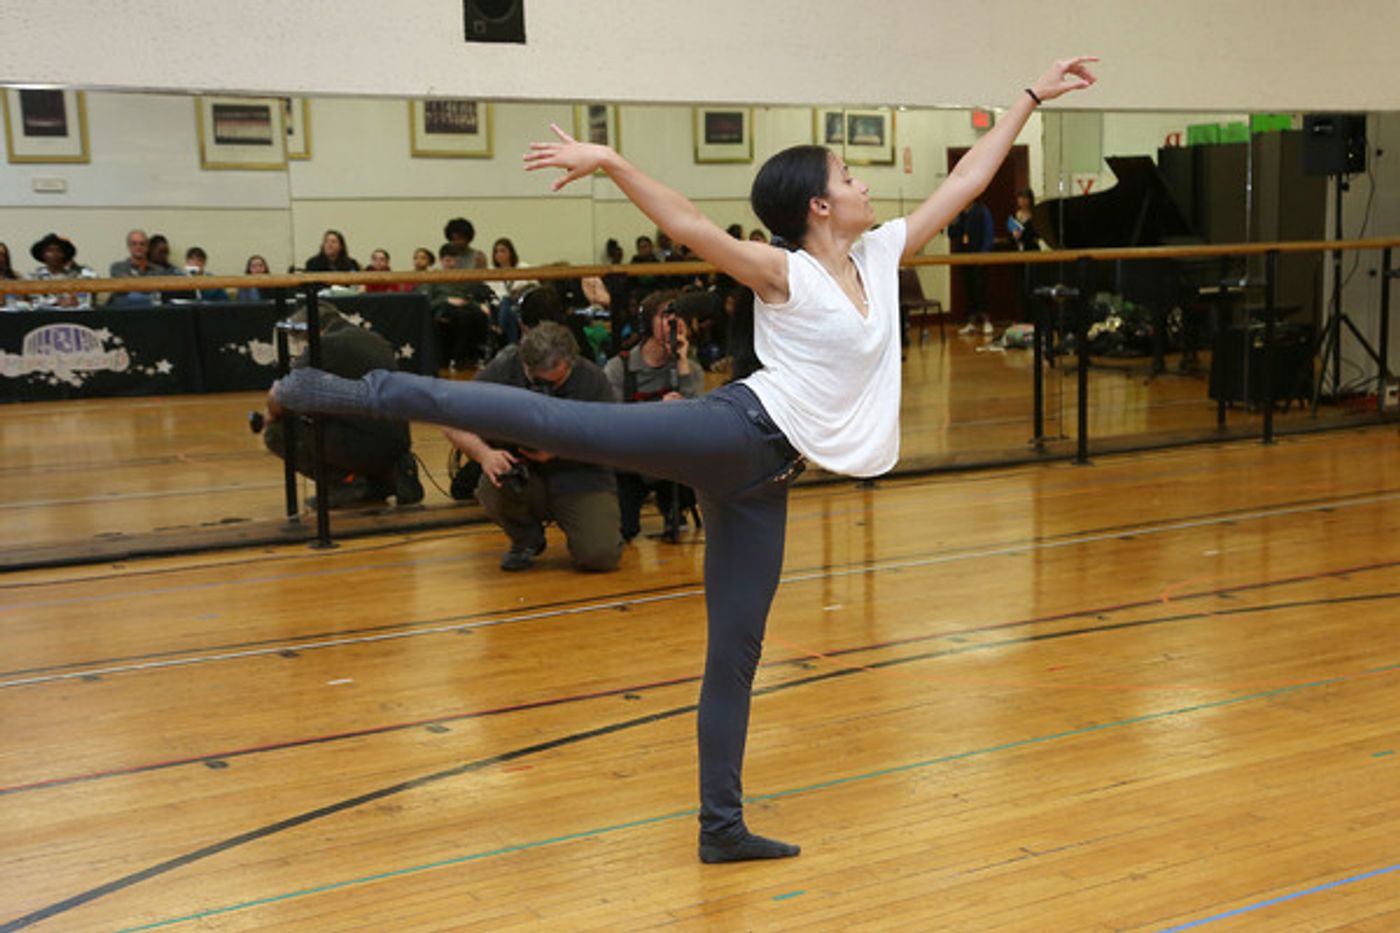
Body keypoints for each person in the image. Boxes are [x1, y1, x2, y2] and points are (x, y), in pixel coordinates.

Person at [271, 57, 1098, 863]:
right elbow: (690, 226)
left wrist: (1028, 98)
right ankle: (359, 391)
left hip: (767, 483)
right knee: (561, 421)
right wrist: (611, 161)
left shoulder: (881, 254)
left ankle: (720, 826)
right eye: (849, 175)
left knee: (735, 653)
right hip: (735, 431)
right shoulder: (784, 272)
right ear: (819, 204)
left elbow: (965, 184)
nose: (864, 183)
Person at [443, 321, 622, 573]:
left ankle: (589, 529)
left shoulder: (592, 379)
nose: (546, 390)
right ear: (524, 364)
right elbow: (450, 420)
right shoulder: (504, 369)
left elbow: (612, 438)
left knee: (600, 557)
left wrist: (559, 450)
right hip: (522, 473)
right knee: (492, 485)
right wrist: (485, 455)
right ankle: (526, 539)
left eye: (556, 383)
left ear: (572, 362)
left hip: (580, 475)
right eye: (538, 381)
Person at [261, 303, 423, 508]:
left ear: (314, 330)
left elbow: (281, 397)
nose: (303, 343)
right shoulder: (374, 339)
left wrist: (271, 411)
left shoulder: (327, 344)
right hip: (396, 444)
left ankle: (347, 484)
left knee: (277, 432)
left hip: (365, 444)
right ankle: (381, 481)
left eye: (303, 337)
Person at [604, 290, 705, 541]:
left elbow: (697, 422)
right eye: (665, 315)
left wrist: (682, 364)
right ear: (647, 323)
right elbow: (612, 423)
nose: (673, 322)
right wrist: (659, 410)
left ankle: (674, 506)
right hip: (630, 463)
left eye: (678, 316)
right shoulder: (619, 367)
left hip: (672, 462)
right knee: (625, 530)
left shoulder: (690, 369)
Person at [423, 242, 492, 369]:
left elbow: (469, 298)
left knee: (478, 314)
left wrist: (479, 305)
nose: (451, 264)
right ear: (441, 260)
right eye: (448, 261)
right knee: (463, 316)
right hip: (443, 309)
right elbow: (428, 302)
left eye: (454, 261)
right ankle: (459, 358)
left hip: (464, 307)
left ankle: (475, 356)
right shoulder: (433, 278)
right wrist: (446, 300)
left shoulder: (461, 277)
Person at [950, 199, 995, 335]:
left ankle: (986, 320)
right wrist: (952, 221)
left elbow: (989, 233)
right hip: (964, 257)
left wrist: (984, 254)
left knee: (981, 289)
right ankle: (971, 322)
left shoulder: (982, 211)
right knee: (968, 290)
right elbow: (951, 234)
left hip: (979, 257)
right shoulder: (959, 213)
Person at [28, 233, 97, 309]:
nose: (55, 254)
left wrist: (74, 265)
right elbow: (34, 303)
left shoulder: (79, 273)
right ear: (42, 254)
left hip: (74, 313)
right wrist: (57, 301)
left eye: (59, 250)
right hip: (45, 314)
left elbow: (86, 300)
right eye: (49, 250)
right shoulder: (35, 276)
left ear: (64, 254)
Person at [107, 228, 163, 306]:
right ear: (128, 247)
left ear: (147, 247)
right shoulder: (117, 267)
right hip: (122, 310)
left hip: (148, 309)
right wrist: (146, 285)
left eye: (142, 244)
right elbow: (122, 288)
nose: (138, 247)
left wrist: (129, 281)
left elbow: (156, 292)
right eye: (134, 244)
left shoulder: (158, 270)